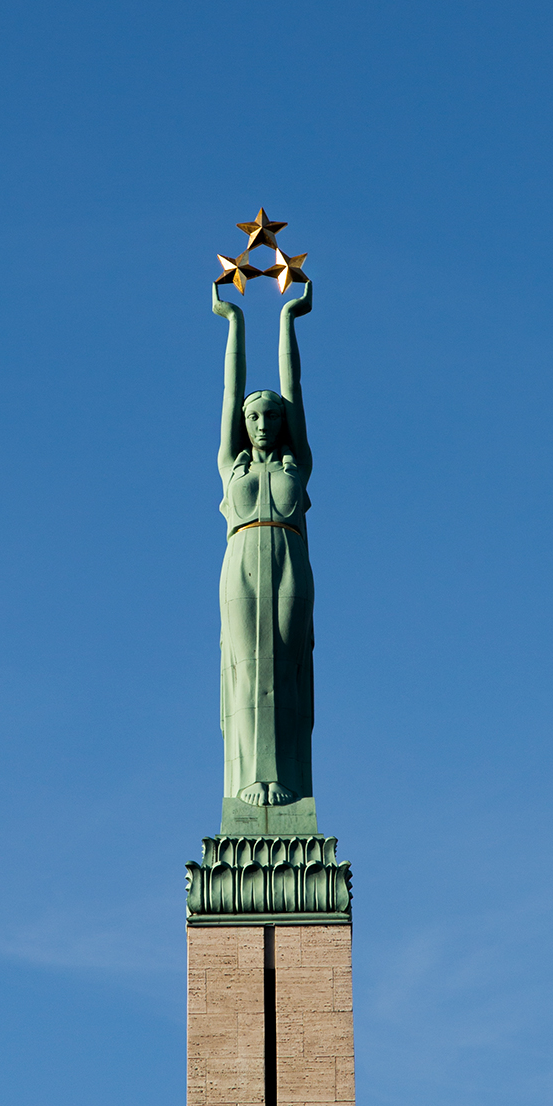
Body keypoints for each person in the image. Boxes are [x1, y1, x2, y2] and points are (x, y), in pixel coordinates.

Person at [212, 280, 315, 807]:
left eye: (270, 415)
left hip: (290, 557)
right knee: (248, 666)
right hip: (242, 559)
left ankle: (288, 781)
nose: (260, 422)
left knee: (287, 665)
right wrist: (235, 321)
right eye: (253, 416)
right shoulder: (233, 466)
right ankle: (253, 779)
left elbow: (293, 388)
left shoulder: (300, 465)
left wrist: (288, 320)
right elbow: (231, 393)